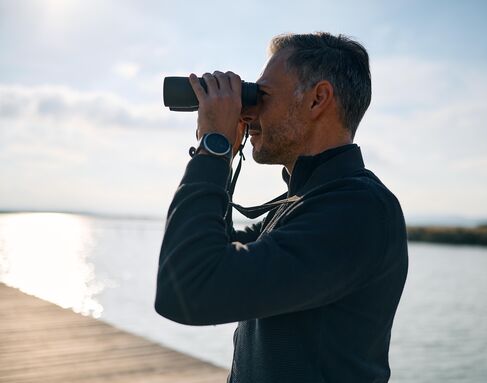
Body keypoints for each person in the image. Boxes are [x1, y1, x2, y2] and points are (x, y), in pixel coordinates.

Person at [155, 32, 408, 383]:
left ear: (318, 99)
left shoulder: (359, 211)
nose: (250, 108)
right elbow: (214, 251)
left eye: (263, 95)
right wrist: (225, 150)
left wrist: (212, 145)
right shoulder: (304, 203)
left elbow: (186, 288)